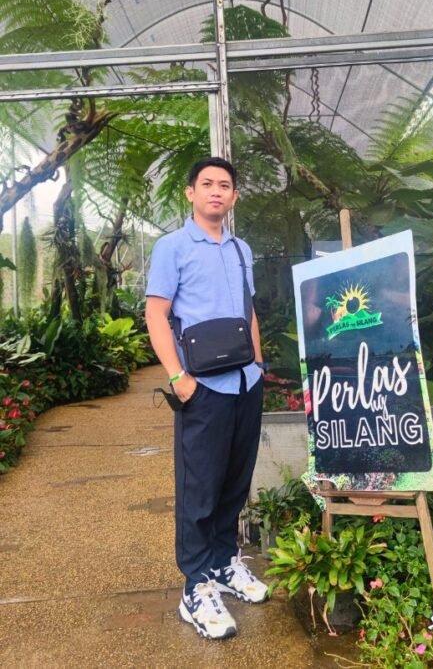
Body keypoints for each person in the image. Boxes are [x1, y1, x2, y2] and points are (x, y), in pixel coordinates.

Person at [145, 157, 268, 640]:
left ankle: (223, 564)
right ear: (190, 193)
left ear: (234, 197)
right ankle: (195, 586)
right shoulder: (172, 247)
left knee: (235, 483)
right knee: (200, 488)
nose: (217, 192)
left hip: (245, 383)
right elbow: (157, 316)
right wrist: (178, 377)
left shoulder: (242, 250)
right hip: (203, 387)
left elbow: (248, 310)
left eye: (226, 186)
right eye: (208, 184)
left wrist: (258, 365)